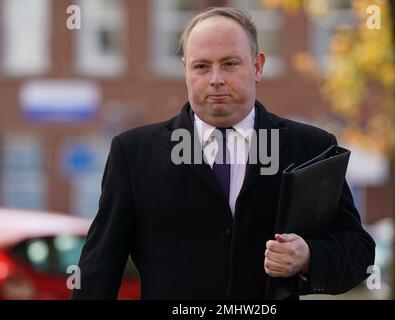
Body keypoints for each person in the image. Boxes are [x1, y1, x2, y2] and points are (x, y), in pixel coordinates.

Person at [71, 7, 375, 300]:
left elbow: (359, 252)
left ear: (257, 66)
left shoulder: (311, 148)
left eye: (230, 63)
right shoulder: (133, 154)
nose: (215, 78)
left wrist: (308, 256)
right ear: (185, 70)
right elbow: (100, 267)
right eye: (201, 66)